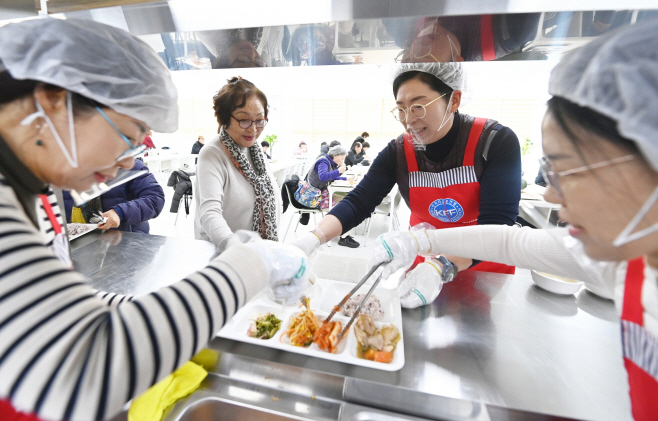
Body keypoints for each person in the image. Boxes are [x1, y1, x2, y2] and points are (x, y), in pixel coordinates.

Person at [0, 18, 307, 421]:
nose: (130, 161)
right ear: (56, 100)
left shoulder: (38, 191)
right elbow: (83, 368)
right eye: (130, 135)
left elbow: (57, 302)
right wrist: (251, 264)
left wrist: (147, 305)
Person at [364, 20, 658, 421]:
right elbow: (508, 241)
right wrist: (418, 245)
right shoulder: (624, 266)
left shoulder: (492, 140)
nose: (551, 195)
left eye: (568, 172)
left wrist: (437, 257)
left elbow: (501, 233)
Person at [295, 62, 521, 272]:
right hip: (424, 264)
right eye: (401, 109)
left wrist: (441, 269)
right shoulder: (399, 151)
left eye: (418, 106)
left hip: (482, 267)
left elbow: (497, 224)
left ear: (453, 100)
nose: (408, 120)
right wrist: (314, 238)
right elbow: (359, 201)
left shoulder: (494, 142)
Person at [194, 77, 280, 251]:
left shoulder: (256, 152)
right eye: (244, 120)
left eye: (259, 120)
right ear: (225, 119)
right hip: (222, 256)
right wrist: (233, 246)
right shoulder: (213, 154)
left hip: (258, 255)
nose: (253, 129)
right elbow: (210, 213)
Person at [62, 159, 164, 233]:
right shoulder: (63, 170)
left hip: (126, 241)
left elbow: (155, 198)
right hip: (78, 243)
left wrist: (120, 212)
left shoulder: (129, 165)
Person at [305, 145, 357, 248]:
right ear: (335, 155)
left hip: (320, 192)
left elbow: (332, 176)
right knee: (342, 208)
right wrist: (339, 170)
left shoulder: (328, 161)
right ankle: (342, 237)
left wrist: (346, 179)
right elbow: (323, 176)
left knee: (348, 202)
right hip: (313, 196)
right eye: (342, 158)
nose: (342, 161)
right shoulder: (323, 161)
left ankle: (343, 234)